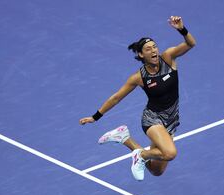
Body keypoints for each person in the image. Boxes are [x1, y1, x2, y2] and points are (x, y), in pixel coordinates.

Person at [79, 16, 196, 181]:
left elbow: (191, 43)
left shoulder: (168, 58)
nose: (154, 50)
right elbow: (116, 97)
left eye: (155, 47)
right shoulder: (139, 77)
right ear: (141, 54)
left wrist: (181, 29)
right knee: (170, 153)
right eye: (148, 49)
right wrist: (95, 117)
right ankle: (140, 155)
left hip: (171, 120)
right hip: (152, 119)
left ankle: (124, 138)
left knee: (156, 170)